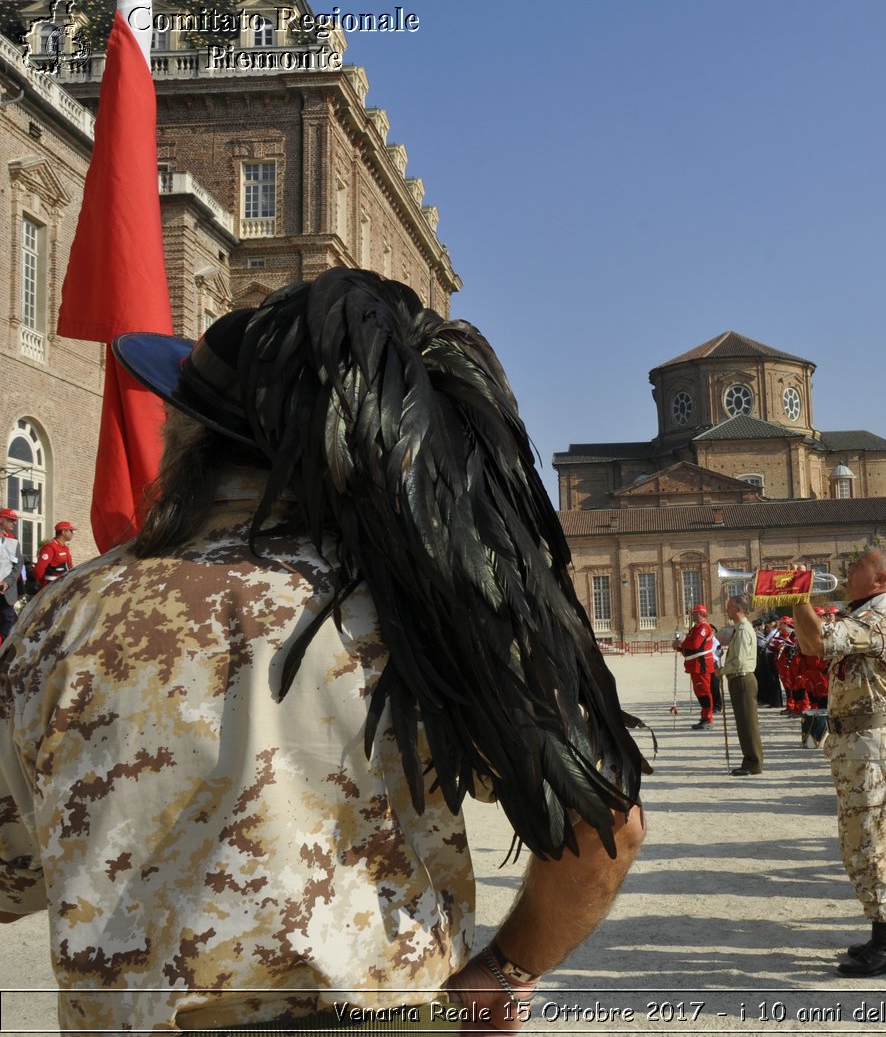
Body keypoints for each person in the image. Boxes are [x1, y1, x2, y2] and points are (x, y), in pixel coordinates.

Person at [0, 270, 648, 1033]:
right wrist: (503, 969)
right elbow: (605, 825)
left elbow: (13, 871)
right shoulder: (431, 606)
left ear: (195, 442)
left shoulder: (62, 618)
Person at [792, 548, 886, 977]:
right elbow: (811, 644)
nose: (846, 571)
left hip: (872, 745)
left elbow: (822, 641)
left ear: (880, 579)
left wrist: (798, 594)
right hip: (856, 743)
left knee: (870, 845)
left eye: (856, 566)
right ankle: (882, 931)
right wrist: (796, 600)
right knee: (856, 843)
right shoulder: (862, 613)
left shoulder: (882, 617)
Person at [722, 596, 763, 775]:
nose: (727, 611)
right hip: (738, 679)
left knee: (748, 723)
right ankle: (749, 760)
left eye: (730, 607)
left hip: (742, 678)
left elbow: (739, 661)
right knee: (742, 723)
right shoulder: (739, 629)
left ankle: (753, 762)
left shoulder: (744, 629)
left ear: (739, 609)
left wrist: (721, 671)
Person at [674, 604, 717, 728]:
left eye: (694, 612)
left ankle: (708, 718)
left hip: (701, 664)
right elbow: (689, 645)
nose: (692, 614)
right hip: (694, 665)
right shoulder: (695, 628)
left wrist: (681, 644)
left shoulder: (703, 627)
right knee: (699, 691)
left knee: (704, 691)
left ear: (701, 614)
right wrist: (678, 647)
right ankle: (704, 717)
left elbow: (695, 645)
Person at [34, 521, 74, 591]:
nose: (72, 533)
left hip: (64, 585)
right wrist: (43, 585)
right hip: (52, 587)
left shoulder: (66, 548)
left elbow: (70, 566)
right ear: (63, 532)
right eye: (70, 531)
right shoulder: (50, 548)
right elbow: (39, 569)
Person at [0, 508, 20, 641]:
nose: (14, 523)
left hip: (6, 590)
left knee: (9, 621)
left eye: (15, 520)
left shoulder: (13, 541)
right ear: (1, 520)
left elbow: (18, 565)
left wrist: (7, 582)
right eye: (11, 520)